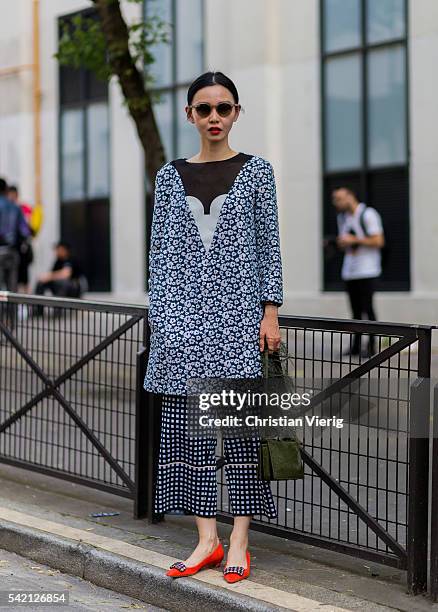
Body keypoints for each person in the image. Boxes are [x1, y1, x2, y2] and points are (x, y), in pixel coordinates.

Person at [143, 71, 283, 583]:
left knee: (242, 436)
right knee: (190, 437)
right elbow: (160, 255)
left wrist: (270, 311)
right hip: (180, 324)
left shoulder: (258, 172)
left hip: (238, 323)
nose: (215, 118)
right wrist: (162, 319)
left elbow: (268, 246)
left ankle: (241, 540)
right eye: (205, 109)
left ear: (237, 113)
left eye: (224, 108)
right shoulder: (169, 176)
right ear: (190, 116)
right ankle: (207, 539)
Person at [332, 186, 385, 357]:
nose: (336, 203)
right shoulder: (342, 218)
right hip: (350, 270)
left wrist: (355, 239)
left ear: (350, 196)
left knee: (368, 309)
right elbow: (347, 242)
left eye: (339, 199)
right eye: (335, 199)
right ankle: (355, 346)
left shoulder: (368, 214)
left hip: (368, 269)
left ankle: (371, 347)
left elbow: (378, 240)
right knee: (355, 311)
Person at [0, 177, 31, 293]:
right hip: (12, 252)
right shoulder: (15, 208)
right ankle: (10, 311)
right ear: (6, 190)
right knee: (12, 289)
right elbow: (25, 231)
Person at [8, 185, 34, 295]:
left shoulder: (23, 208)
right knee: (15, 278)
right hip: (14, 248)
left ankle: (26, 303)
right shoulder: (9, 208)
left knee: (23, 277)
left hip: (22, 248)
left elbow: (28, 229)